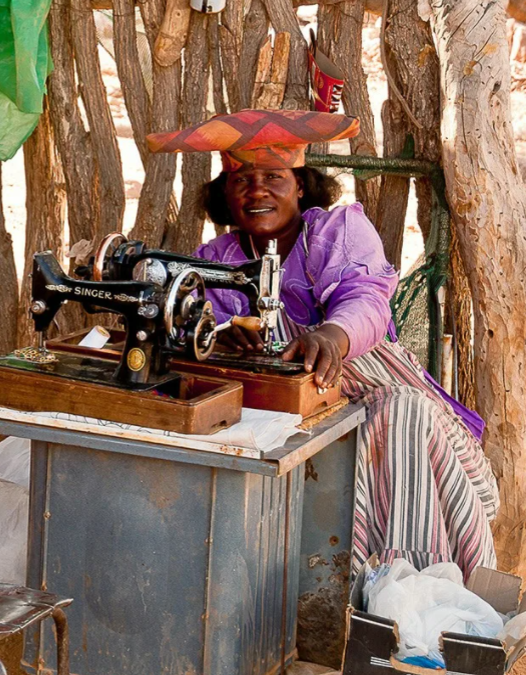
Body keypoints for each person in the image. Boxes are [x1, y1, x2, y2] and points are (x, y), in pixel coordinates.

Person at [147, 109, 499, 580]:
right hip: (301, 424)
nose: (257, 191)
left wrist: (333, 334)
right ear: (223, 195)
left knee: (402, 412)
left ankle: (414, 585)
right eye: (241, 181)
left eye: (274, 177)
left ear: (301, 186)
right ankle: (350, 591)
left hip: (387, 408)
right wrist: (220, 333)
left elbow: (366, 299)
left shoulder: (337, 232)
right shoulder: (217, 260)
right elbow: (192, 328)